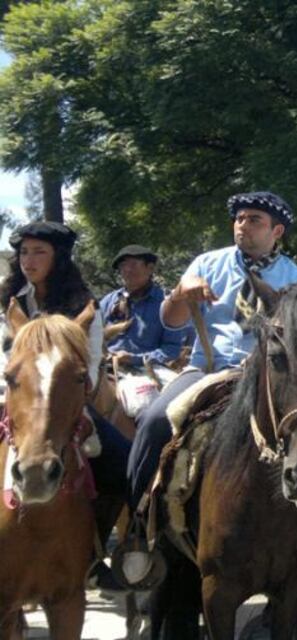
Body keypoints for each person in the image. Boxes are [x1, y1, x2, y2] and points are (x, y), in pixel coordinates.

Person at [121, 191, 297, 585]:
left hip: (270, 379)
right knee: (155, 420)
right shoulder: (207, 264)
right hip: (209, 368)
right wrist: (179, 294)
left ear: (277, 231)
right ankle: (139, 526)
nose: (243, 224)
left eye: (254, 219)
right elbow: (171, 323)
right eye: (239, 218)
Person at [0, 221, 132, 591]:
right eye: (24, 252)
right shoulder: (8, 298)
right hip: (12, 397)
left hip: (67, 403)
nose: (29, 260)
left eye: (39, 251)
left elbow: (89, 369)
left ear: (59, 258)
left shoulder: (82, 305)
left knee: (125, 465)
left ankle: (95, 551)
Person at [99, 245, 184, 369]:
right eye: (123, 265)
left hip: (148, 369)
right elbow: (91, 336)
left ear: (150, 268)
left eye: (133, 264)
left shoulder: (167, 303)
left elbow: (172, 349)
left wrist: (135, 359)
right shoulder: (108, 301)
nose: (127, 269)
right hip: (105, 367)